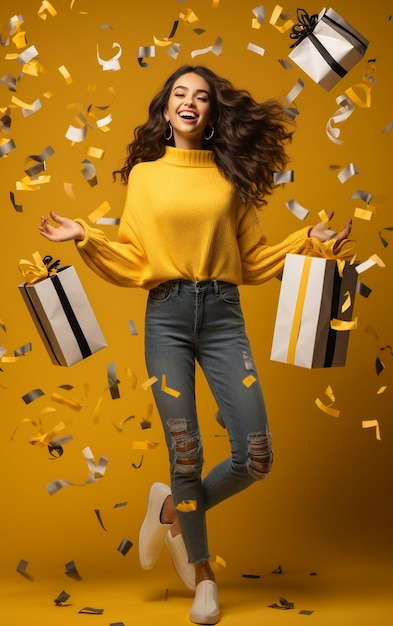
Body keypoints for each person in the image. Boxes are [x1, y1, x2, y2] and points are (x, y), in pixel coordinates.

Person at [39, 65, 352, 625]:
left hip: (224, 317)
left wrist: (309, 239)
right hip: (167, 317)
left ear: (211, 113)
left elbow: (252, 260)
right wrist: (85, 236)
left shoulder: (229, 176)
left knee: (255, 457)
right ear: (165, 109)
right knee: (187, 453)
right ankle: (204, 577)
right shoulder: (145, 177)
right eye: (180, 94)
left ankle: (168, 509)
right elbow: (136, 259)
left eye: (201, 96)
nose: (189, 102)